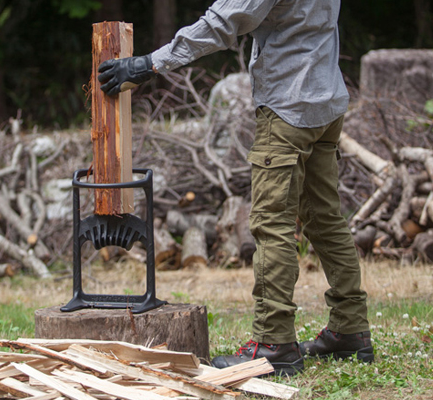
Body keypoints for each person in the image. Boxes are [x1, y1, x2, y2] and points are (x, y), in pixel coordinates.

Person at [98, 0, 373, 376]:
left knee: (270, 223)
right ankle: (350, 330)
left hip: (289, 107)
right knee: (325, 218)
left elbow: (223, 21)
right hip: (326, 102)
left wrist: (151, 63)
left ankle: (274, 343)